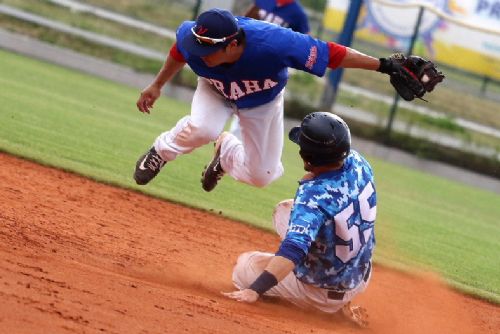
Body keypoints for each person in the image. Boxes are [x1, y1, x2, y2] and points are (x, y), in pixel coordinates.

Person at [133, 8, 411, 192]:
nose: (199, 53)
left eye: (207, 50)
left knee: (262, 175)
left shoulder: (276, 43)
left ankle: (226, 153)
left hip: (261, 101)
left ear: (232, 44)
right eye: (197, 45)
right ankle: (160, 151)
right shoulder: (194, 39)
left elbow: (332, 54)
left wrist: (384, 65)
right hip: (215, 90)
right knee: (205, 128)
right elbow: (179, 51)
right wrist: (156, 85)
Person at [223, 112, 376, 328]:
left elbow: (294, 249)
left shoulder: (313, 197)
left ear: (307, 158)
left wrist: (254, 290)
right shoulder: (360, 163)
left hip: (320, 293)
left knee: (243, 266)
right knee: (285, 211)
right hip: (360, 274)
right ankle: (342, 303)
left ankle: (320, 309)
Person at [229, 0, 310, 138]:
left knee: (256, 106)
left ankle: (233, 142)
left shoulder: (298, 14)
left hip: (272, 68)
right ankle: (231, 142)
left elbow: (305, 42)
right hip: (249, 59)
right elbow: (243, 22)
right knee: (244, 103)